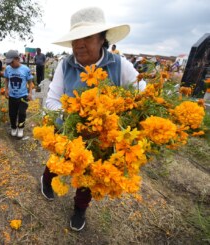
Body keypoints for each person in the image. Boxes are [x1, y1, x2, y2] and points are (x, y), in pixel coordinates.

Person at [42, 7, 146, 231]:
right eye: (74, 39)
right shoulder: (65, 64)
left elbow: (144, 97)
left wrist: (119, 118)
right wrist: (74, 117)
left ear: (102, 39)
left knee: (88, 177)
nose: (78, 44)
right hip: (67, 131)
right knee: (57, 161)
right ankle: (46, 180)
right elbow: (51, 100)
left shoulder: (121, 66)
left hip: (101, 141)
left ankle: (79, 210)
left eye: (87, 37)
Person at [4, 50, 34, 138]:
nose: (10, 65)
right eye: (9, 63)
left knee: (22, 113)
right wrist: (6, 89)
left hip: (23, 95)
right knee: (12, 113)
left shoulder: (25, 69)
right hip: (12, 96)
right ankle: (13, 127)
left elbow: (30, 81)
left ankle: (20, 128)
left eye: (12, 62)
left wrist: (30, 93)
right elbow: (6, 79)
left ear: (17, 59)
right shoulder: (8, 69)